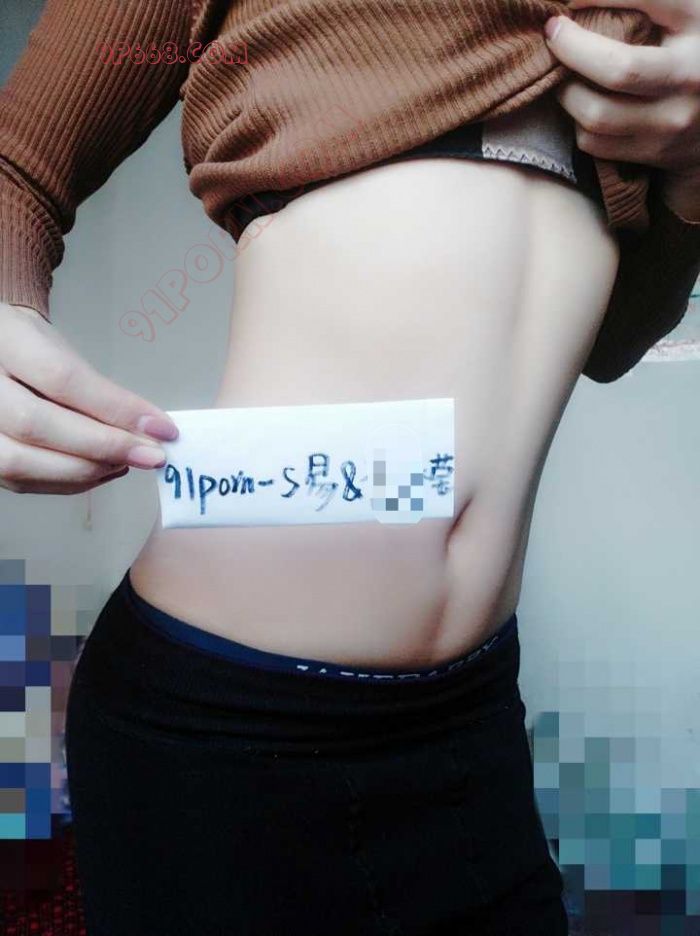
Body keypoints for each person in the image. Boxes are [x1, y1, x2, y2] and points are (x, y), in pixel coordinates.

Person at [1, 0, 699, 933]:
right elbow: (18, 166)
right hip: (228, 728)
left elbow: (612, 341)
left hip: (468, 714)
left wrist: (692, 178)